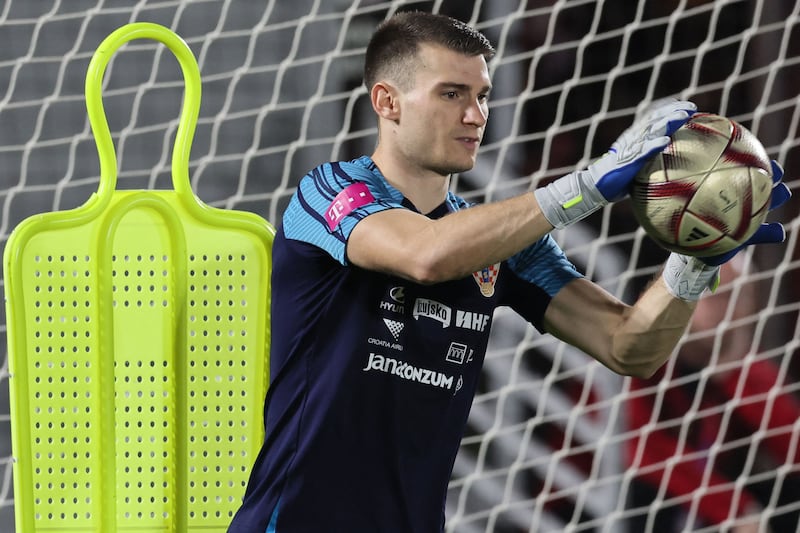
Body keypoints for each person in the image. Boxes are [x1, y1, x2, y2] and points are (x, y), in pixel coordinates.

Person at [227, 11, 790, 532]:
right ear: (387, 101)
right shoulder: (328, 192)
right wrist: (586, 187)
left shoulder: (505, 247)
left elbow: (628, 347)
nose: (475, 116)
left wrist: (691, 266)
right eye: (451, 94)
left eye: (481, 96)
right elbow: (425, 255)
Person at [626, 259, 800, 533]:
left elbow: (793, 444)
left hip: (706, 504)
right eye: (721, 296)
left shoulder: (744, 370)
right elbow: (642, 450)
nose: (734, 310)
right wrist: (735, 509)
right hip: (629, 496)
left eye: (745, 297)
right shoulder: (644, 353)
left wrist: (732, 372)